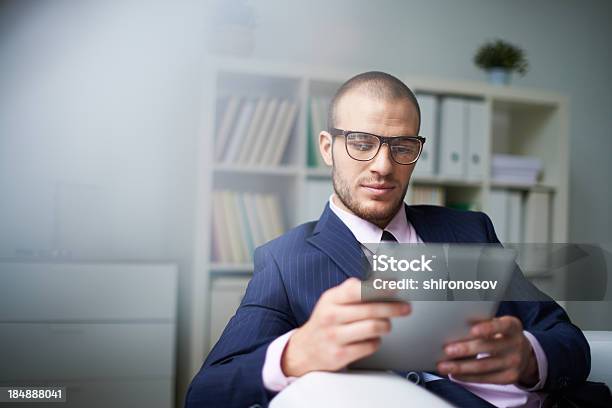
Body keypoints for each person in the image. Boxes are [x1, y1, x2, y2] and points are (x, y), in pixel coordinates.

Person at [185, 72, 590, 408]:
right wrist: (295, 355)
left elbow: (567, 339)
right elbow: (206, 394)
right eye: (362, 143)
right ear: (328, 148)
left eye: (402, 147)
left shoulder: (470, 231)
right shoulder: (285, 260)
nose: (383, 166)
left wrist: (529, 358)